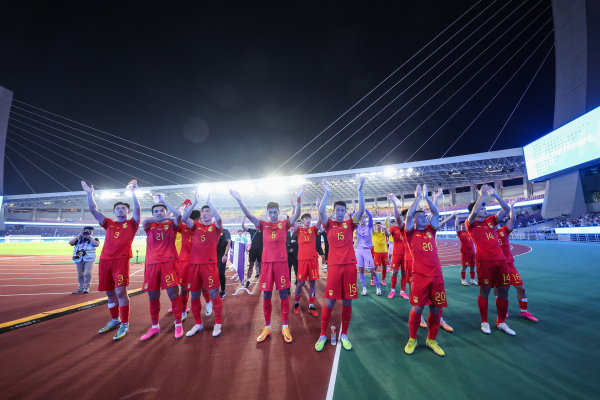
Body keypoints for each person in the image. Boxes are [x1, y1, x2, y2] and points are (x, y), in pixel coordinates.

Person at [230, 185, 305, 343]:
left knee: (284, 294)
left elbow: (297, 214)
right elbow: (249, 215)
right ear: (267, 213)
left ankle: (285, 327)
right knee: (267, 295)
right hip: (266, 265)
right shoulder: (263, 225)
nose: (272, 215)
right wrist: (239, 200)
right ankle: (268, 326)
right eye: (269, 212)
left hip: (282, 265)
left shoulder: (284, 224)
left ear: (278, 212)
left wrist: (298, 199)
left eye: (274, 212)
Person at [81, 180, 140, 341]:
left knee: (120, 291)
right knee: (109, 292)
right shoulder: (109, 224)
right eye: (117, 208)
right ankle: (115, 319)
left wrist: (133, 193)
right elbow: (93, 209)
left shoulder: (132, 224)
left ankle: (125, 323)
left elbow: (138, 210)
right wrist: (90, 194)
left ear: (127, 210)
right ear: (114, 212)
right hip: (105, 261)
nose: (120, 210)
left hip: (121, 261)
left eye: (123, 208)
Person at [315, 177, 365, 352]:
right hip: (335, 267)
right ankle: (322, 334)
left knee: (347, 302)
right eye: (338, 210)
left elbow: (362, 210)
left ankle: (344, 334)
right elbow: (321, 212)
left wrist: (360, 189)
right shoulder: (329, 224)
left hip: (350, 266)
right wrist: (327, 192)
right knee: (329, 302)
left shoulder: (350, 224)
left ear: (345, 212)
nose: (340, 212)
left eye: (343, 210)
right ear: (334, 211)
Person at [403, 185, 447, 357]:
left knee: (436, 309)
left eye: (424, 216)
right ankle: (413, 339)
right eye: (419, 216)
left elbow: (435, 214)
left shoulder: (431, 230)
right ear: (414, 220)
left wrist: (427, 197)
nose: (423, 217)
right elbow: (408, 216)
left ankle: (431, 340)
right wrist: (417, 198)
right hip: (419, 277)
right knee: (417, 308)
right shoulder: (410, 233)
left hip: (437, 276)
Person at [466, 184, 515, 336]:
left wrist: (495, 195)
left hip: (501, 261)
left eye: (484, 208)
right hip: (484, 262)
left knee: (504, 291)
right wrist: (482, 195)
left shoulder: (490, 221)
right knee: (485, 291)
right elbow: (474, 211)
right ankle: (484, 321)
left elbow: (506, 209)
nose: (484, 209)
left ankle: (501, 322)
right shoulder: (471, 224)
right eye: (482, 207)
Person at [140, 194, 184, 341]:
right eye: (156, 212)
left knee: (173, 295)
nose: (159, 213)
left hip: (168, 263)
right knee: (153, 296)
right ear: (153, 214)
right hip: (151, 264)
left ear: (166, 211)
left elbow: (177, 215)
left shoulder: (172, 225)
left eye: (161, 211)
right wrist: (165, 217)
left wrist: (164, 201)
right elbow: (145, 221)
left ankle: (178, 324)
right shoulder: (149, 225)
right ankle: (154, 327)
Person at [181, 192, 225, 337]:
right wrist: (194, 202)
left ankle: (218, 323)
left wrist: (209, 203)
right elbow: (183, 218)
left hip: (209, 265)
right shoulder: (196, 226)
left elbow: (219, 219)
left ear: (211, 214)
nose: (205, 214)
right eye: (203, 212)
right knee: (194, 295)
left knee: (213, 293)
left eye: (208, 212)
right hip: (194, 266)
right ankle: (198, 324)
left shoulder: (216, 227)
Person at [494, 199, 538, 322]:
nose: (495, 223)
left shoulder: (503, 231)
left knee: (521, 288)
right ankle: (502, 309)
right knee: (499, 289)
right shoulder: (487, 235)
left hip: (509, 264)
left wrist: (511, 206)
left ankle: (524, 312)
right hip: (496, 266)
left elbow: (512, 220)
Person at [173, 209, 213, 318]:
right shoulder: (182, 227)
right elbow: (176, 220)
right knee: (185, 288)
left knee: (200, 286)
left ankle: (208, 302)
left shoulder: (204, 228)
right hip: (186, 262)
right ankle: (183, 310)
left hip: (199, 262)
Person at [292, 199, 322, 316]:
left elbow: (321, 218)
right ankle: (296, 304)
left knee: (313, 284)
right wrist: (294, 208)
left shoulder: (314, 229)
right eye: (306, 218)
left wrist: (318, 206)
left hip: (313, 260)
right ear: (302, 221)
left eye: (309, 218)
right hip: (302, 261)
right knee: (300, 284)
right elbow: (292, 220)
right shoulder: (298, 230)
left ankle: (311, 306)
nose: (308, 220)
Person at [355, 208, 380, 296]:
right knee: (361, 269)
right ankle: (364, 289)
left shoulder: (369, 227)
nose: (362, 219)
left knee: (372, 270)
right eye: (360, 218)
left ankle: (378, 287)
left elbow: (370, 216)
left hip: (366, 251)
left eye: (363, 217)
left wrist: (365, 210)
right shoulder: (357, 227)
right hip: (358, 250)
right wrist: (355, 210)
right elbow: (353, 217)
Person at [387, 194, 407, 299]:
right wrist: (385, 229)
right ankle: (393, 291)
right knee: (394, 272)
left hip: (406, 254)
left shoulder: (409, 228)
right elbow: (387, 234)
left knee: (404, 272)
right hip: (396, 253)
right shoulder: (394, 228)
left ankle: (403, 291)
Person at [70, 227, 100, 294]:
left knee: (87, 273)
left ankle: (86, 287)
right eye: (86, 231)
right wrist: (79, 235)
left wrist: (90, 237)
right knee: (80, 274)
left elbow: (97, 244)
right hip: (79, 258)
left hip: (90, 259)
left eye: (90, 231)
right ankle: (81, 287)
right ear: (83, 231)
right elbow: (70, 242)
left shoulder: (94, 239)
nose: (88, 232)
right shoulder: (79, 239)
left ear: (92, 232)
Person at [456, 216, 477, 286]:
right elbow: (456, 226)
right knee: (464, 267)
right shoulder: (460, 233)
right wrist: (457, 217)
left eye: (464, 225)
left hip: (473, 252)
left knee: (473, 266)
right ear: (460, 226)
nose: (464, 226)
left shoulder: (470, 231)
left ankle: (473, 280)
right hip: (465, 252)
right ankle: (463, 280)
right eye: (462, 225)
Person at [242, 217, 263, 287]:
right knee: (251, 266)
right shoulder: (252, 230)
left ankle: (262, 279)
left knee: (260, 266)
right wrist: (244, 218)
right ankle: (248, 281)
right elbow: (243, 226)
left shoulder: (263, 231)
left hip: (260, 251)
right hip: (252, 251)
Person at [372, 222, 390, 286]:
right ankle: (372, 280)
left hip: (384, 252)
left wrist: (385, 228)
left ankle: (383, 280)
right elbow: (371, 228)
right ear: (375, 227)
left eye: (379, 225)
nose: (378, 226)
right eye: (377, 225)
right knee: (374, 267)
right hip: (377, 252)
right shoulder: (374, 233)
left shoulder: (384, 233)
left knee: (384, 267)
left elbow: (388, 234)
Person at [216, 225, 232, 299]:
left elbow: (228, 243)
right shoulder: (212, 230)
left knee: (221, 273)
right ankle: (215, 291)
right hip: (212, 255)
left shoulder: (225, 231)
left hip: (222, 255)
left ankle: (222, 291)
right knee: (213, 274)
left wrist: (225, 255)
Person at [286, 219, 299, 292]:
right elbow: (285, 242)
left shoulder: (297, 233)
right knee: (288, 272)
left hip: (295, 255)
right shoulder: (286, 233)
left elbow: (297, 243)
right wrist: (291, 242)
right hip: (288, 255)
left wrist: (289, 243)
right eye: (290, 226)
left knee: (297, 270)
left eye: (292, 226)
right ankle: (288, 287)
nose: (291, 227)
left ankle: (298, 285)